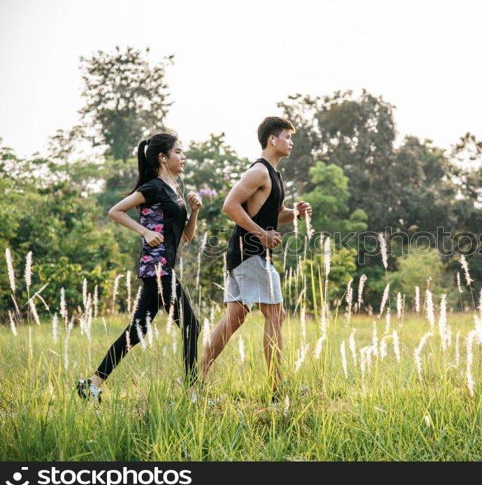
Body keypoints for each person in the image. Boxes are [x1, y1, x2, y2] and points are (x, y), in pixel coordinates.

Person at [77, 133, 203, 401]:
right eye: (178, 152)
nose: (183, 157)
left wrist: (194, 213)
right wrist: (145, 232)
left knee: (136, 331)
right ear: (162, 157)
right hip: (158, 268)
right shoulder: (153, 187)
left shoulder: (173, 190)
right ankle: (193, 394)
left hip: (162, 267)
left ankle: (92, 384)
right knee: (192, 325)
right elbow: (115, 211)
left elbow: (185, 237)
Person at [200, 117, 311, 401]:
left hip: (243, 254)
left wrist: (295, 213)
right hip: (251, 253)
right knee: (276, 313)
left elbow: (275, 215)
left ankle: (194, 380)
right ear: (272, 140)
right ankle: (277, 390)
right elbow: (230, 205)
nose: (291, 142)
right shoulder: (259, 171)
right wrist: (261, 235)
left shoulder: (273, 175)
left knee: (235, 318)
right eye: (287, 136)